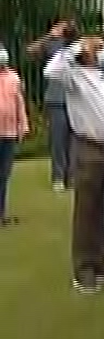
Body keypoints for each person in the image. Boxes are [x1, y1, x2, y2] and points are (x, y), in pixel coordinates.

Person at [43, 35, 104, 292]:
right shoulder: (73, 74)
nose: (98, 50)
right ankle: (84, 266)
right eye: (94, 46)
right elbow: (51, 70)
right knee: (87, 208)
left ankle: (103, 260)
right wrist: (76, 49)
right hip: (89, 146)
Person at [26, 17, 78, 191]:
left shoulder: (78, 45)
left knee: (75, 139)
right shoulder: (51, 44)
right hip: (56, 99)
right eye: (61, 24)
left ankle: (72, 177)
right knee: (58, 140)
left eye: (68, 24)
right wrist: (49, 36)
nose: (66, 27)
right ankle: (58, 177)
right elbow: (31, 52)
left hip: (76, 98)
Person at [0, 44, 28, 227]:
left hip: (8, 133)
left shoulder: (13, 78)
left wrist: (23, 126)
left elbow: (19, 103)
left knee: (4, 175)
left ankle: (1, 213)